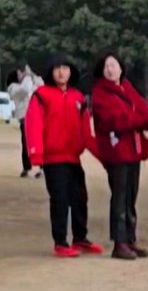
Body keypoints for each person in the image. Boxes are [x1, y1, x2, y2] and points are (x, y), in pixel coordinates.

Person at [24, 55, 102, 259]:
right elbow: (33, 125)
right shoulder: (41, 95)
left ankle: (80, 238)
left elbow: (86, 132)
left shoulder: (78, 97)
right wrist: (36, 156)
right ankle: (60, 242)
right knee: (60, 200)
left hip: (73, 159)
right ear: (51, 72)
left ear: (71, 72)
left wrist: (103, 156)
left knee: (80, 198)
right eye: (57, 68)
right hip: (53, 159)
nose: (61, 72)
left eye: (65, 68)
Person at [89, 52, 148, 260]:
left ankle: (130, 238)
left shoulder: (127, 87)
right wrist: (136, 119)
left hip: (133, 150)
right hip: (116, 152)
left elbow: (147, 116)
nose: (110, 70)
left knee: (131, 196)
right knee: (119, 196)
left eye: (114, 65)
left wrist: (136, 118)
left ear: (120, 68)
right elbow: (114, 120)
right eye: (106, 66)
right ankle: (119, 242)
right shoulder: (100, 93)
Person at [7, 66, 42, 179]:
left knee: (39, 143)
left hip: (35, 117)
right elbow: (25, 90)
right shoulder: (12, 87)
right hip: (25, 119)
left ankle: (42, 168)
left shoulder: (26, 84)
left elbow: (40, 85)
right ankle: (27, 168)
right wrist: (27, 77)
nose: (21, 75)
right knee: (26, 144)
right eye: (19, 74)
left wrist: (33, 75)